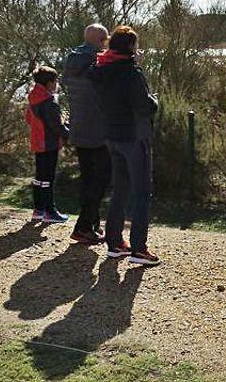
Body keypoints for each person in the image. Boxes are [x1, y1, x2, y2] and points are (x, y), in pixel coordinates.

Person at [90, 26, 160, 266]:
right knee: (141, 193)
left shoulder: (100, 70)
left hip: (112, 135)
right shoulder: (131, 73)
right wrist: (154, 100)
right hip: (135, 136)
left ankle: (115, 242)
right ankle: (139, 249)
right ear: (131, 47)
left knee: (120, 189)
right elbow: (144, 107)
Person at [63, 23, 111, 245]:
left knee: (87, 178)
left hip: (79, 128)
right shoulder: (97, 63)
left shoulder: (71, 61)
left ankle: (91, 224)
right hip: (98, 130)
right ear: (102, 41)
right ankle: (83, 226)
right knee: (101, 180)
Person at [25, 66, 71, 223]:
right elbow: (56, 126)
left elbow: (28, 119)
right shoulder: (49, 101)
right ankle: (49, 211)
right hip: (49, 143)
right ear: (50, 83)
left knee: (39, 177)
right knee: (48, 178)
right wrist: (69, 131)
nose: (56, 84)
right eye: (55, 81)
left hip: (37, 141)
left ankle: (38, 209)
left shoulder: (32, 98)